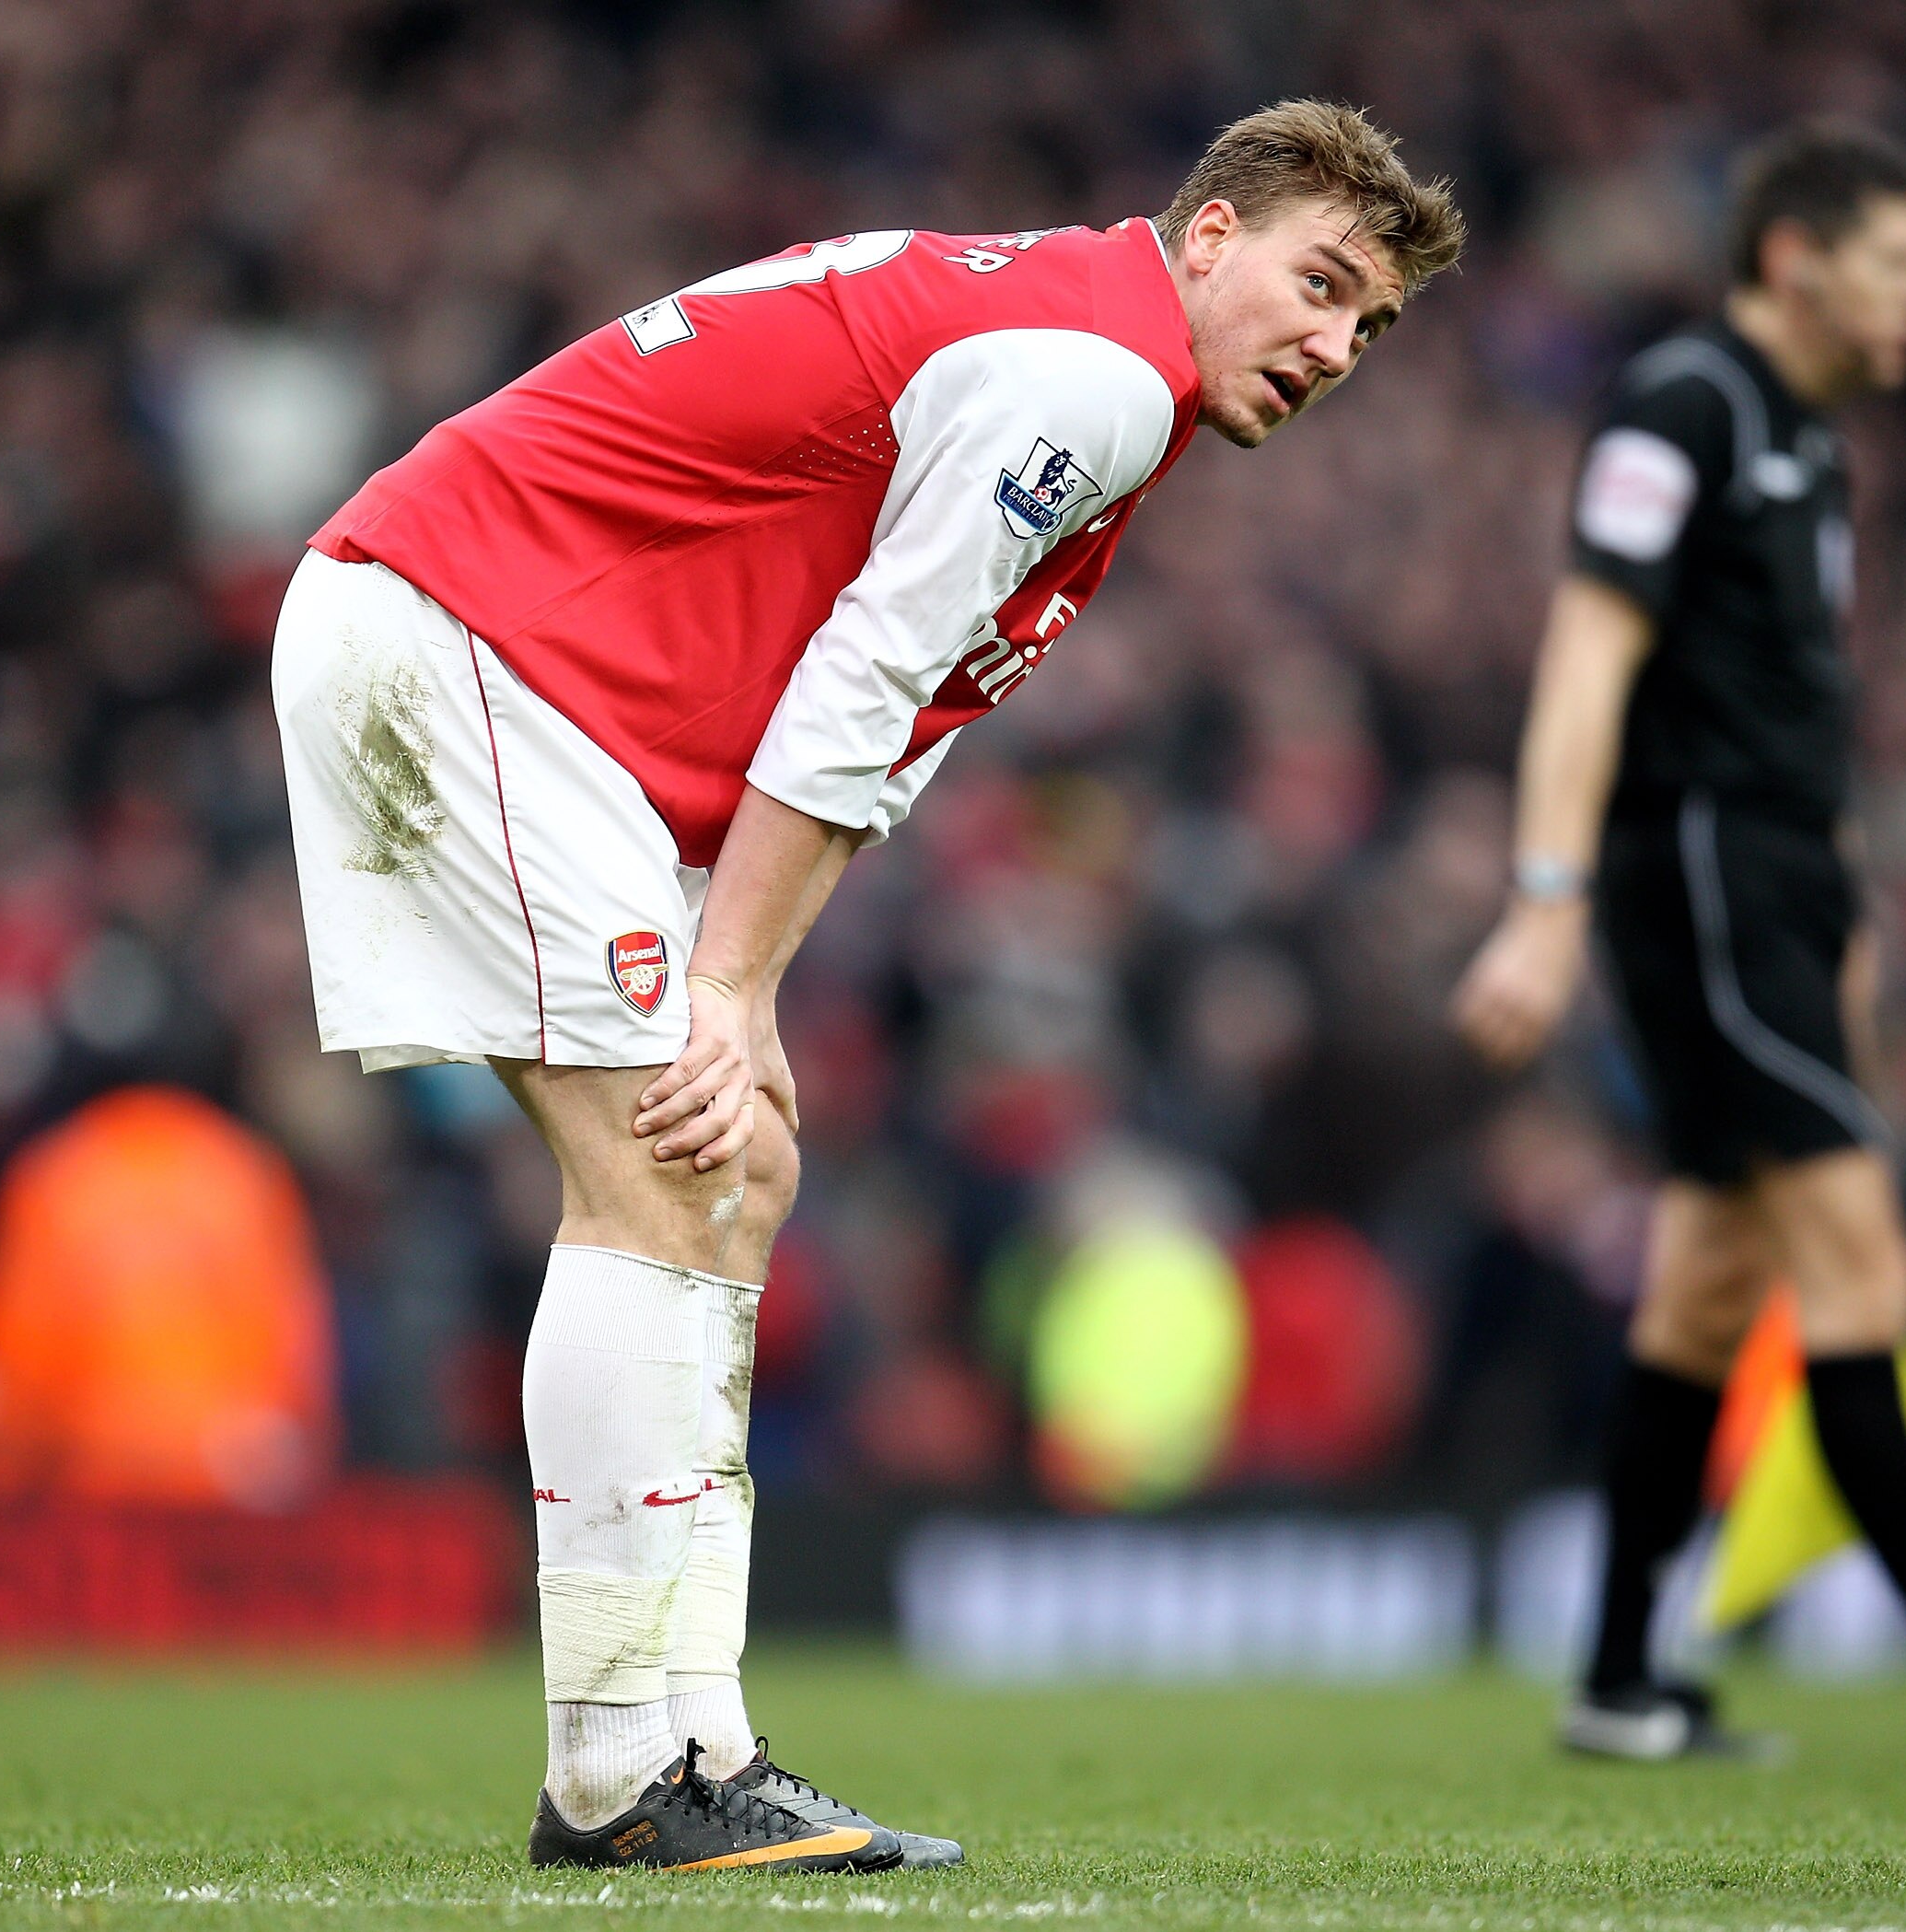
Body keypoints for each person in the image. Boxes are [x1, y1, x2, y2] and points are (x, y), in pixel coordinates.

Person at [276, 99, 1460, 1868]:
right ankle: (622, 1768)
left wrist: (742, 983)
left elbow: (884, 725)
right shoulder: (1093, 375)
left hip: (539, 687)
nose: (1334, 345)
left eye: (1367, 326)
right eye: (1320, 282)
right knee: (669, 1159)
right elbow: (855, 686)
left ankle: (694, 1735)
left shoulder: (1086, 359)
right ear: (1207, 236)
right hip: (465, 648)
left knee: (738, 1162)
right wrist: (730, 981)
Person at [1453, 121, 1906, 1757]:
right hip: (1697, 875)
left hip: (1776, 888)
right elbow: (1587, 651)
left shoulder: (1812, 438)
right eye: (1904, 260)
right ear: (1796, 258)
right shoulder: (1687, 400)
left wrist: (1839, 904)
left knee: (1710, 1285)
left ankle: (1623, 1676)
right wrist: (1546, 903)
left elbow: (1792, 711)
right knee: (1865, 1254)